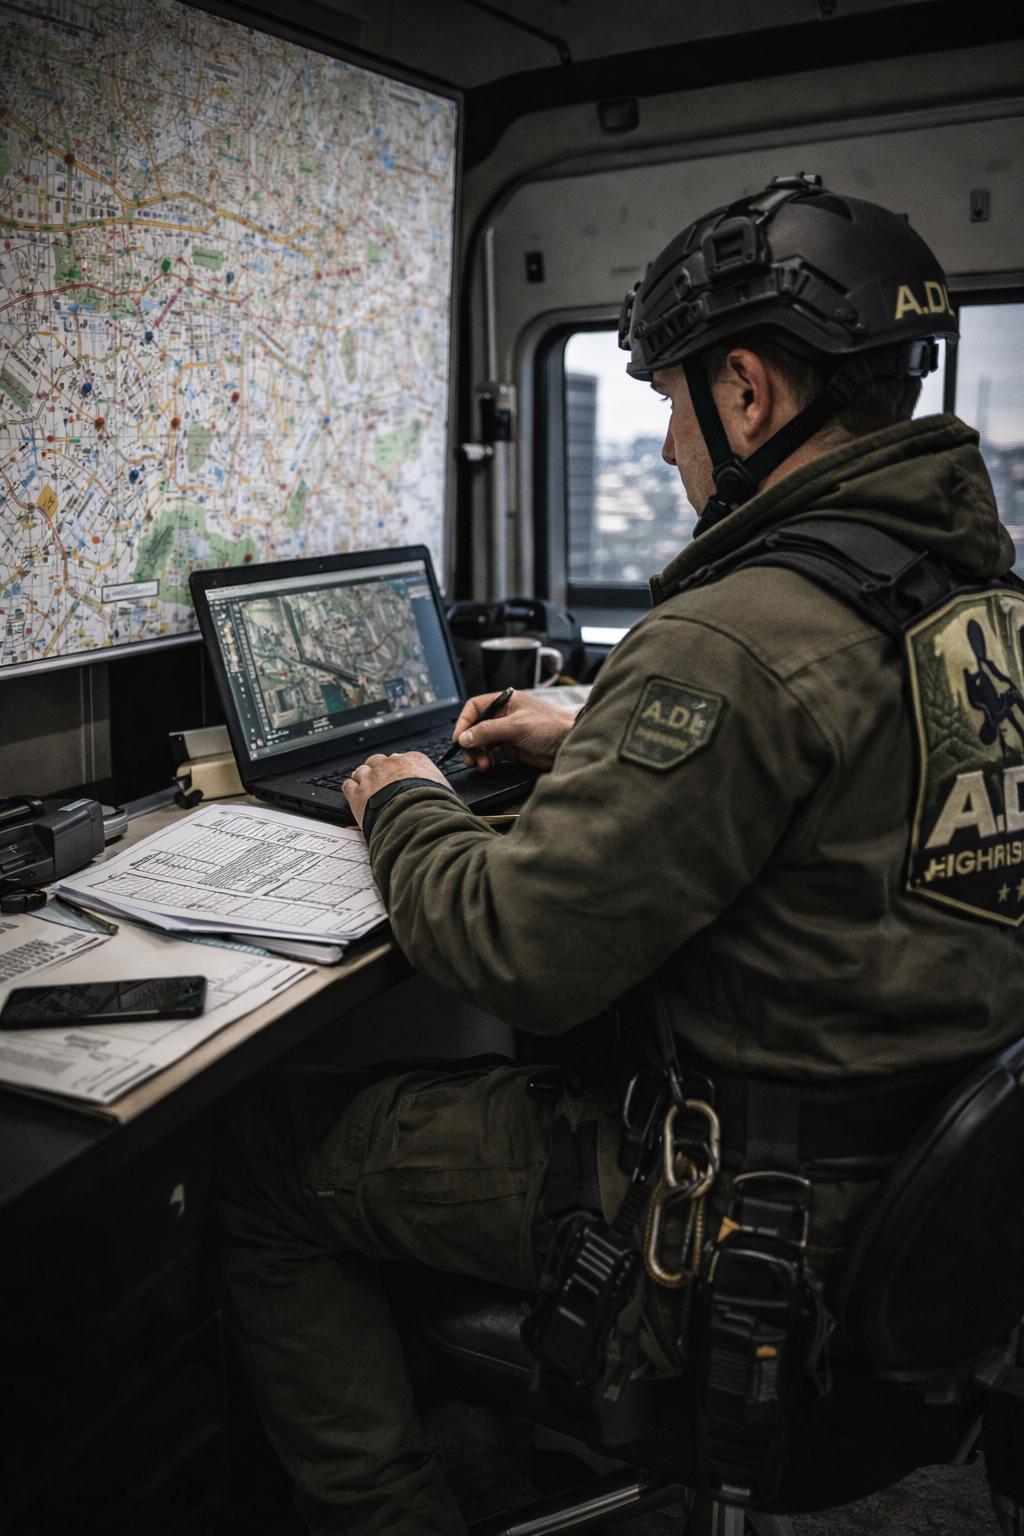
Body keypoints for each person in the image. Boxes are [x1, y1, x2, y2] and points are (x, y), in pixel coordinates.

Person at [220, 173, 1024, 1535]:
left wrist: (401, 793)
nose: (666, 449)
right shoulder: (973, 599)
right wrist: (595, 722)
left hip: (734, 1225)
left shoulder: (733, 636)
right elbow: (849, 755)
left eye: (671, 403)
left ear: (751, 393)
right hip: (923, 1195)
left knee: (267, 1160)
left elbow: (515, 951)